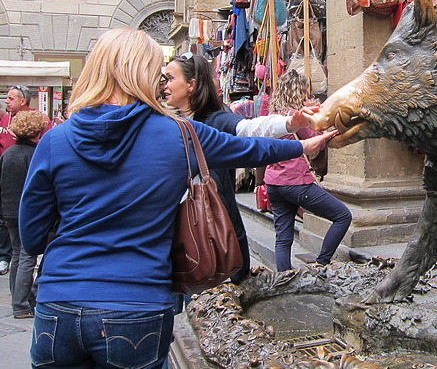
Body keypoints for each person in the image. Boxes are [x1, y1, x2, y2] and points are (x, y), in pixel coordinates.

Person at [19, 28, 335, 368]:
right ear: (144, 76)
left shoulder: (54, 141)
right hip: (137, 304)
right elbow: (247, 148)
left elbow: (32, 237)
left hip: (58, 304)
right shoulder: (178, 135)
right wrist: (301, 144)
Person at [163, 52, 318, 283]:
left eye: (169, 78)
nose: (165, 85)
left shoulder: (215, 121)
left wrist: (290, 124)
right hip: (175, 230)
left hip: (213, 226)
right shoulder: (164, 123)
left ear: (191, 85)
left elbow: (250, 130)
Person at [264, 70, 352, 271]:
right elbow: (316, 144)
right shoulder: (297, 118)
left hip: (274, 183)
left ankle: (284, 279)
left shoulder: (272, 116)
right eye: (305, 93)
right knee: (342, 215)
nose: (308, 96)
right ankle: (321, 264)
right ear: (298, 93)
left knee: (283, 238)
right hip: (296, 182)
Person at [0, 109, 51, 318]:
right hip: (24, 211)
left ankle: (18, 298)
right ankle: (21, 304)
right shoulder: (32, 154)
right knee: (27, 255)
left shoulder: (8, 153)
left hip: (8, 210)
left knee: (18, 255)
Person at [0, 85, 37, 277]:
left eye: (10, 98)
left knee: (23, 252)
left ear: (22, 101)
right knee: (21, 253)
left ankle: (20, 301)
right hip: (9, 185)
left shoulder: (37, 120)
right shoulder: (5, 118)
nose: (6, 101)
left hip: (23, 193)